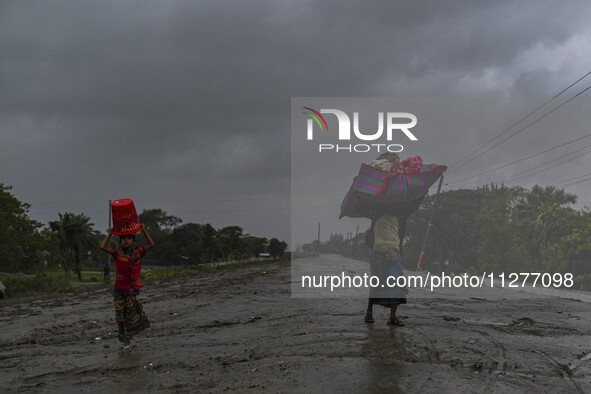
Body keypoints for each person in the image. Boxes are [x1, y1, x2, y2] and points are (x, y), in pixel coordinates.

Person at [363, 152, 423, 326]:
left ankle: (392, 317)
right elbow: (365, 198)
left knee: (396, 283)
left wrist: (421, 190)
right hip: (377, 252)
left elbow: (414, 203)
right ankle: (369, 312)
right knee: (376, 284)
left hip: (393, 253)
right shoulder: (376, 210)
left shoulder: (400, 214)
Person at [100, 224, 155, 351]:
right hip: (119, 289)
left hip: (131, 289)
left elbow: (152, 244)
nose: (125, 240)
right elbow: (102, 246)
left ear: (133, 241)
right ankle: (120, 331)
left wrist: (144, 230)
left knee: (129, 316)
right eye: (123, 239)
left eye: (128, 238)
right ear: (120, 242)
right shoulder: (116, 253)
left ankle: (127, 341)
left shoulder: (138, 252)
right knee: (120, 317)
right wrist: (110, 233)